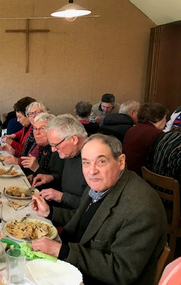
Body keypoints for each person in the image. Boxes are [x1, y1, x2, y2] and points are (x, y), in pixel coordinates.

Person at [30, 134, 167, 285]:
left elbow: (122, 270)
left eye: (101, 161)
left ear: (120, 162)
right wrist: (49, 212)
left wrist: (63, 251)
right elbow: (83, 218)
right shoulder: (100, 184)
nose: (92, 171)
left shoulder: (141, 208)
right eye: (86, 163)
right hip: (74, 267)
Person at [31, 114, 88, 209]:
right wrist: (52, 178)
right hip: (62, 210)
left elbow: (91, 208)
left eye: (55, 145)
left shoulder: (91, 159)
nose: (53, 150)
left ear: (74, 139)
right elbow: (68, 181)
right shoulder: (71, 152)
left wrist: (61, 197)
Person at [123, 102, 169, 176]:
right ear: (157, 118)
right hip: (143, 176)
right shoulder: (156, 134)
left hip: (128, 172)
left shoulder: (133, 129)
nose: (165, 121)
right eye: (164, 117)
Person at [19, 113, 64, 188]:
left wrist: (36, 168)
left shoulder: (57, 151)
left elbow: (57, 184)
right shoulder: (43, 148)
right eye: (35, 129)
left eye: (42, 128)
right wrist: (33, 175)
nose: (37, 133)